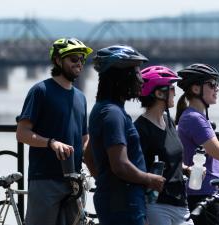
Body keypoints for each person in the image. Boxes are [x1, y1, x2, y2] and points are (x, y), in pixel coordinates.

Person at [84, 45, 165, 225]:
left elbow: (88, 155)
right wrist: (149, 179)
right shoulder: (113, 114)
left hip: (117, 200)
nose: (142, 80)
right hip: (125, 205)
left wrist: (107, 183)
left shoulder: (103, 109)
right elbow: (120, 164)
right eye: (137, 73)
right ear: (121, 77)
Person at [16, 37, 93, 225]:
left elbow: (84, 137)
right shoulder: (40, 91)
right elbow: (22, 133)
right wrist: (51, 143)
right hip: (45, 179)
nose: (80, 63)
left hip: (74, 182)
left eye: (82, 59)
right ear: (58, 60)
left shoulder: (80, 98)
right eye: (74, 59)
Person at [175, 63, 219, 225]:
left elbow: (210, 159)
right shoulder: (194, 118)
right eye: (212, 84)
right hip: (204, 197)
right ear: (195, 89)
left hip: (212, 192)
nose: (217, 89)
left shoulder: (197, 117)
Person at [134, 66, 194, 225]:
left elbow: (170, 159)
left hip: (181, 202)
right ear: (159, 93)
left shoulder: (169, 122)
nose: (175, 92)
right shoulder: (140, 129)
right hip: (156, 205)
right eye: (172, 88)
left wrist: (186, 169)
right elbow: (136, 169)